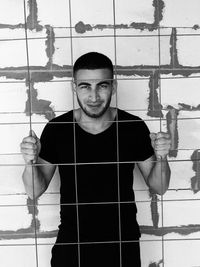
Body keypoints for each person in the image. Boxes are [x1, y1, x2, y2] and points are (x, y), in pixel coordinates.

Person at [20, 52, 171, 267]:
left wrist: (162, 158)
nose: (94, 96)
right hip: (72, 246)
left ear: (113, 86)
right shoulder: (57, 130)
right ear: (74, 88)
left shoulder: (132, 127)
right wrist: (29, 162)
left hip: (122, 245)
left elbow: (160, 187)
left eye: (102, 86)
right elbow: (34, 191)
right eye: (85, 86)